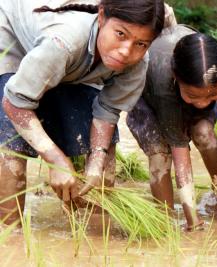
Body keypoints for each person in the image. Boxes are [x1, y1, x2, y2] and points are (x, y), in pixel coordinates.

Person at [0, 0, 165, 224]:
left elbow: (107, 110)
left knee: (103, 159)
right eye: (120, 34)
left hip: (70, 61)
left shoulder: (135, 63)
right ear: (101, 17)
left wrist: (97, 159)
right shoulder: (63, 42)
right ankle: (11, 235)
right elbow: (15, 101)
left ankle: (93, 236)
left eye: (141, 44)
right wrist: (56, 159)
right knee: (11, 150)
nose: (126, 51)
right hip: (12, 39)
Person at [126, 25, 217, 230]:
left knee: (204, 133)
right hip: (150, 98)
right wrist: (193, 221)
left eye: (212, 95)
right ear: (176, 78)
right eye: (193, 96)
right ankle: (164, 220)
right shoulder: (163, 80)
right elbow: (180, 152)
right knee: (160, 156)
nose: (202, 104)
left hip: (189, 85)